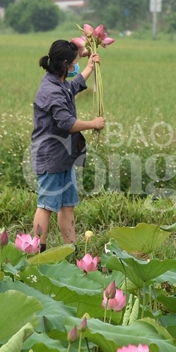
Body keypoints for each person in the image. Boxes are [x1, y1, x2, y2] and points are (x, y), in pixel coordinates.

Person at [31, 39, 105, 251]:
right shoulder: (50, 90)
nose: (76, 66)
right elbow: (66, 122)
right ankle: (38, 250)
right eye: (74, 63)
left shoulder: (59, 82)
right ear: (65, 64)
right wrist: (93, 124)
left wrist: (90, 67)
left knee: (67, 205)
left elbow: (72, 88)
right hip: (51, 156)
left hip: (65, 155)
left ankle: (70, 249)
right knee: (46, 206)